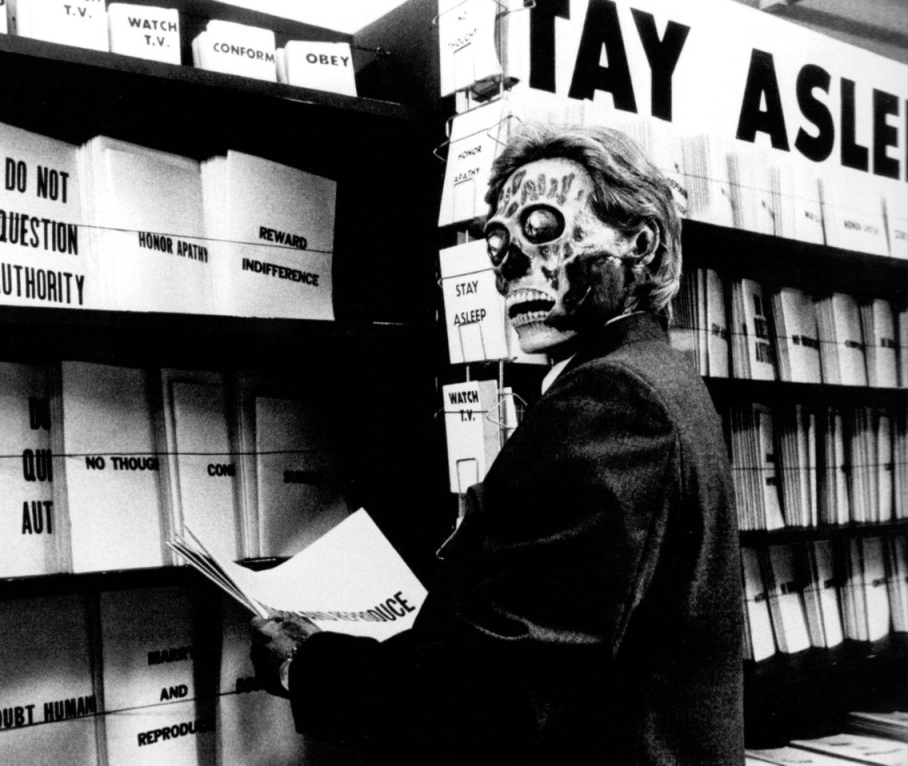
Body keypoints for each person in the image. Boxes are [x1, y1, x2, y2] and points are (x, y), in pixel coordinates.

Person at [251, 124, 744, 765]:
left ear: (640, 243)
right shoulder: (658, 373)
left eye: (543, 228)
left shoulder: (614, 398)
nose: (510, 267)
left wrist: (308, 665)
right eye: (499, 242)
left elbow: (499, 686)